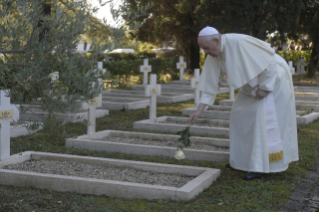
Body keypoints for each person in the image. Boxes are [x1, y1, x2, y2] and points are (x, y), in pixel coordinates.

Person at [190, 26, 299, 180]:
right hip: (251, 87)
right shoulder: (215, 53)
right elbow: (210, 83)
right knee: (239, 115)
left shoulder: (240, 42)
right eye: (203, 49)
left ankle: (261, 166)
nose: (205, 52)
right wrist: (199, 110)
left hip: (273, 79)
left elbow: (270, 62)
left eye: (206, 48)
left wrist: (266, 88)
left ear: (216, 40)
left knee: (262, 120)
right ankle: (242, 161)